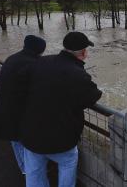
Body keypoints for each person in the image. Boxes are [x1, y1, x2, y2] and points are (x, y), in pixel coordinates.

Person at [20, 32, 102, 187]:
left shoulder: (40, 62)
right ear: (83, 53)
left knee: (34, 172)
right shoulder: (77, 74)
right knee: (67, 164)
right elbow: (93, 96)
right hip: (61, 140)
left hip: (30, 133)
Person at [0, 35, 46, 174]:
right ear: (39, 50)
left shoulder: (12, 58)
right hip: (18, 113)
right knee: (23, 141)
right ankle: (29, 171)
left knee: (15, 140)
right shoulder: (33, 64)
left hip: (3, 109)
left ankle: (25, 168)